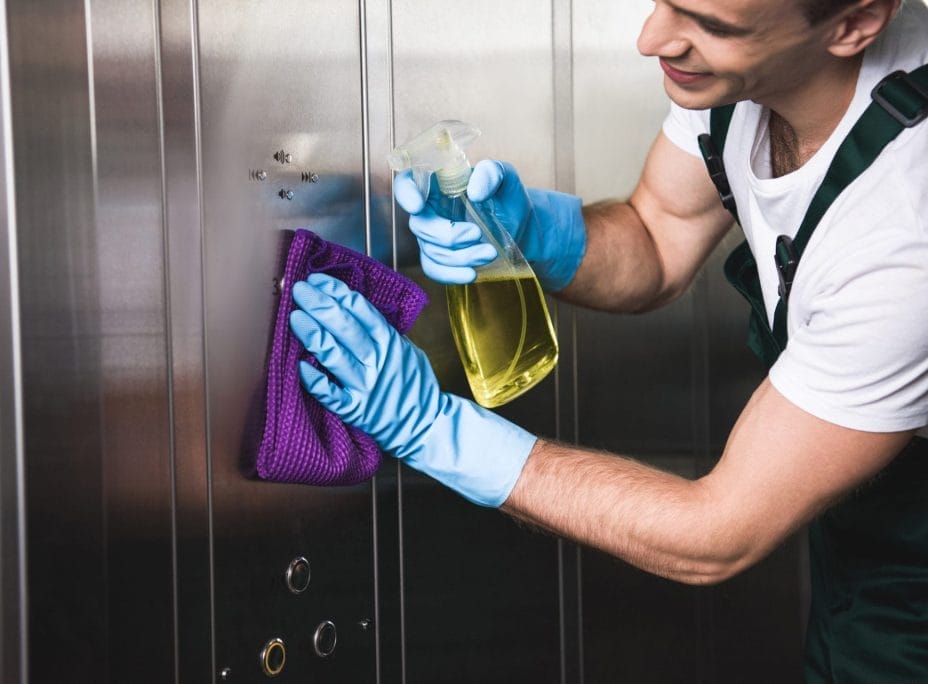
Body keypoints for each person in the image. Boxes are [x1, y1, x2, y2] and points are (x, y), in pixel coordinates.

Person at [289, 0, 928, 679]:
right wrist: (531, 231)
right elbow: (658, 234)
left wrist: (433, 431)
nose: (653, 39)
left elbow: (716, 533)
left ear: (855, 24)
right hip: (859, 562)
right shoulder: (740, 73)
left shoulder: (905, 232)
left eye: (711, 27)